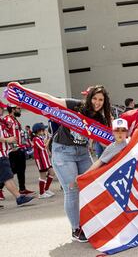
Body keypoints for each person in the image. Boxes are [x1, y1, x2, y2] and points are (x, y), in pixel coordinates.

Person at [10, 82, 112, 242]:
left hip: (83, 153)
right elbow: (49, 99)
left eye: (101, 100)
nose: (97, 102)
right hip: (63, 152)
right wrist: (23, 89)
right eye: (95, 98)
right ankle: (76, 228)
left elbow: (107, 142)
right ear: (89, 97)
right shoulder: (75, 106)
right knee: (72, 190)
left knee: (91, 187)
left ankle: (90, 222)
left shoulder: (100, 119)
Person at [0, 101, 35, 208]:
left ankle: (21, 192)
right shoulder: (5, 120)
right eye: (1, 108)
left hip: (9, 150)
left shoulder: (7, 120)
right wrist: (8, 140)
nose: (2, 110)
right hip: (3, 152)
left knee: (14, 172)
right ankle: (19, 197)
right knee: (8, 176)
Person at [32, 122, 56, 198]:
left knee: (52, 173)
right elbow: (43, 147)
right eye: (43, 130)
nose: (44, 131)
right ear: (39, 131)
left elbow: (44, 145)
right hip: (41, 161)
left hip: (45, 159)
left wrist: (47, 138)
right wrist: (49, 138)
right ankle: (41, 193)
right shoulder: (35, 139)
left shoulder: (40, 138)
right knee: (43, 176)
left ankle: (46, 189)